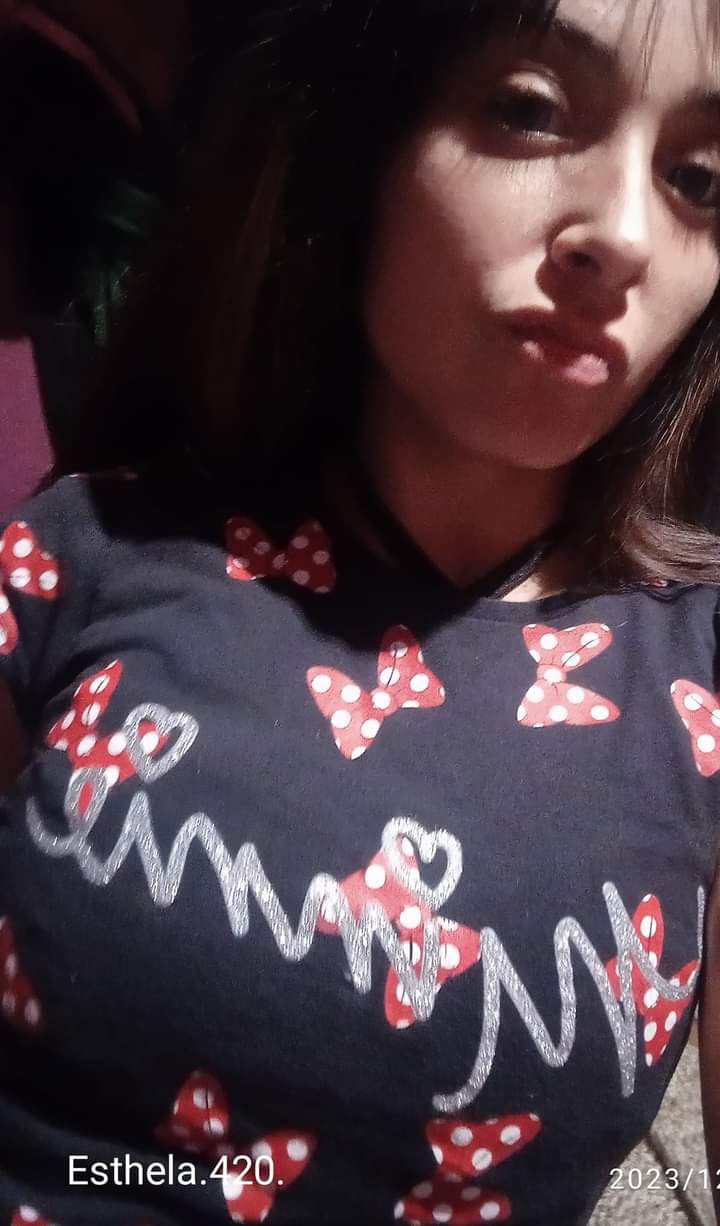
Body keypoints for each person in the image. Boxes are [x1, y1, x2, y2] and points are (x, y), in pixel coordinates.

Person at [1, 0, 720, 1222]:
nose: (624, 233)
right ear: (362, 142)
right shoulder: (85, 551)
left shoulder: (699, 678)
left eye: (700, 178)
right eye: (530, 109)